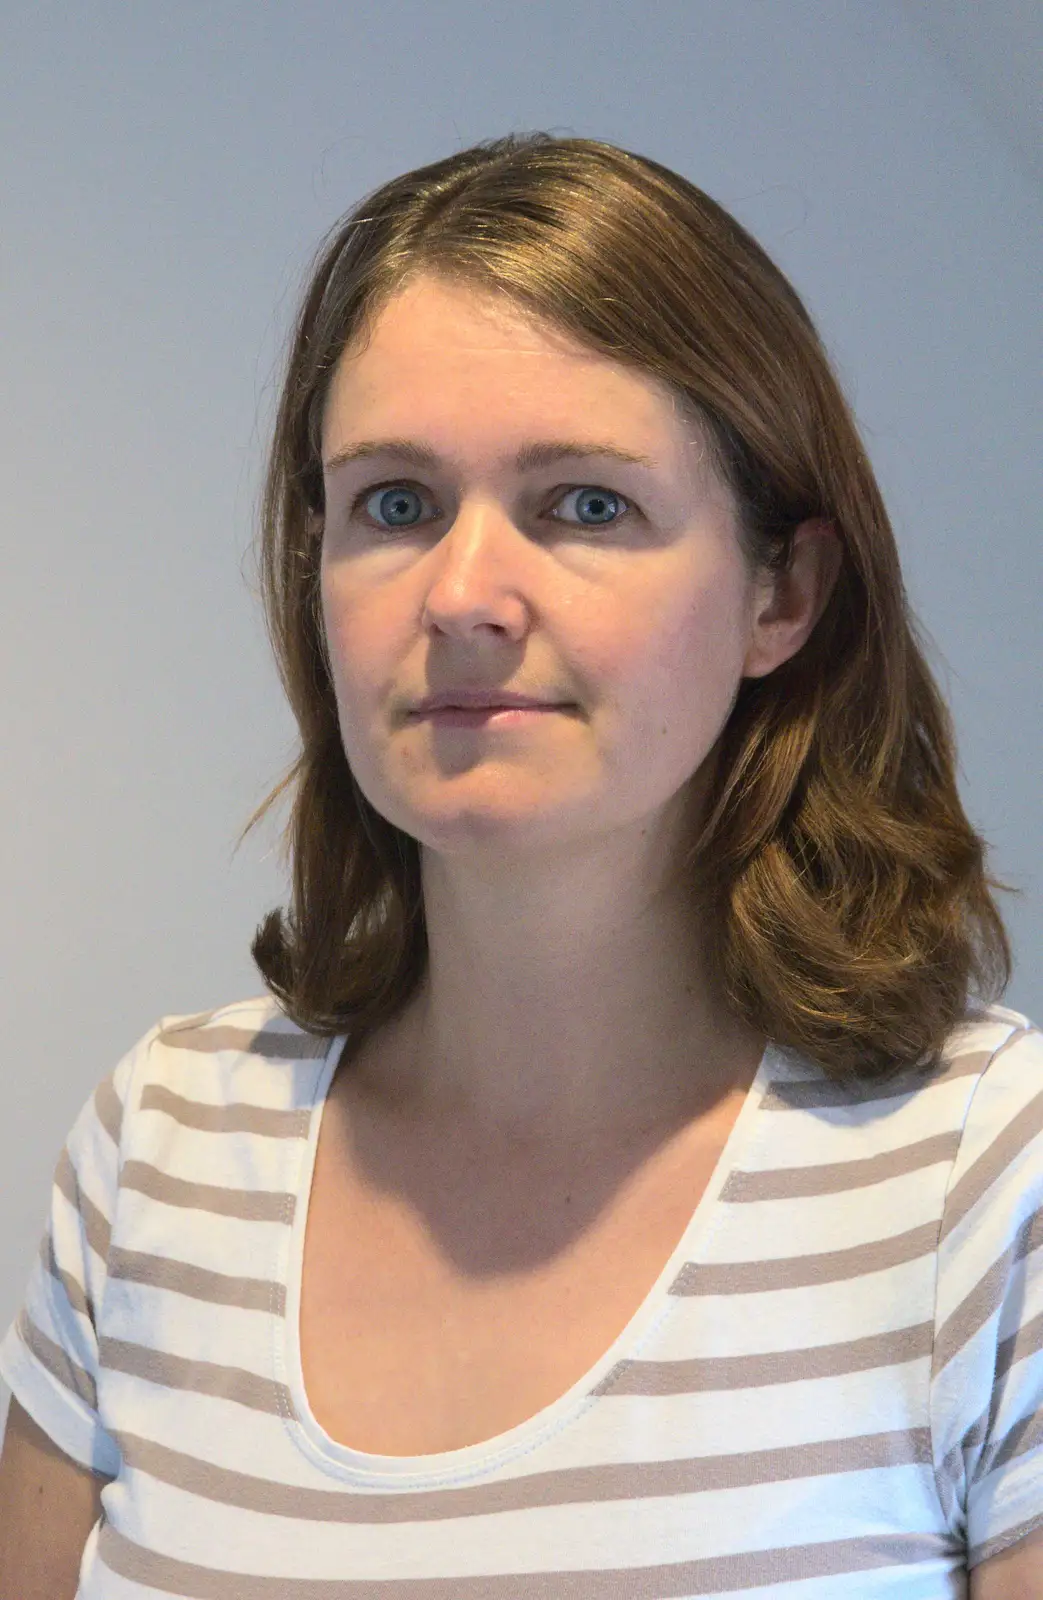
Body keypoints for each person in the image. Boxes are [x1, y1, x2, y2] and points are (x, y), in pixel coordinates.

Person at [0, 132, 1039, 1598]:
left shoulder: (985, 1186)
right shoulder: (156, 1154)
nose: (463, 597)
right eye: (396, 505)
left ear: (780, 593)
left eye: (585, 505)